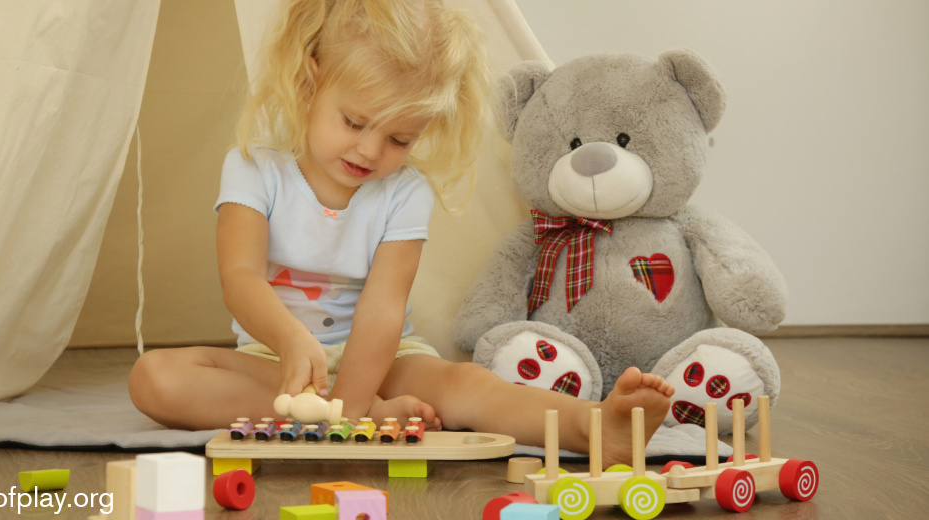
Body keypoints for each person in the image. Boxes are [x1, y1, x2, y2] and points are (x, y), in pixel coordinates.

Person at [128, 0, 674, 465]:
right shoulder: (252, 168)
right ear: (309, 80)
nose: (370, 151)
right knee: (156, 378)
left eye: (399, 139)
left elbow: (383, 309)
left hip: (385, 357)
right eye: (355, 122)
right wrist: (293, 342)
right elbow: (241, 278)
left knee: (468, 386)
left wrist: (350, 399)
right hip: (279, 364)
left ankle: (593, 428)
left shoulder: (403, 192)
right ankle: (354, 418)